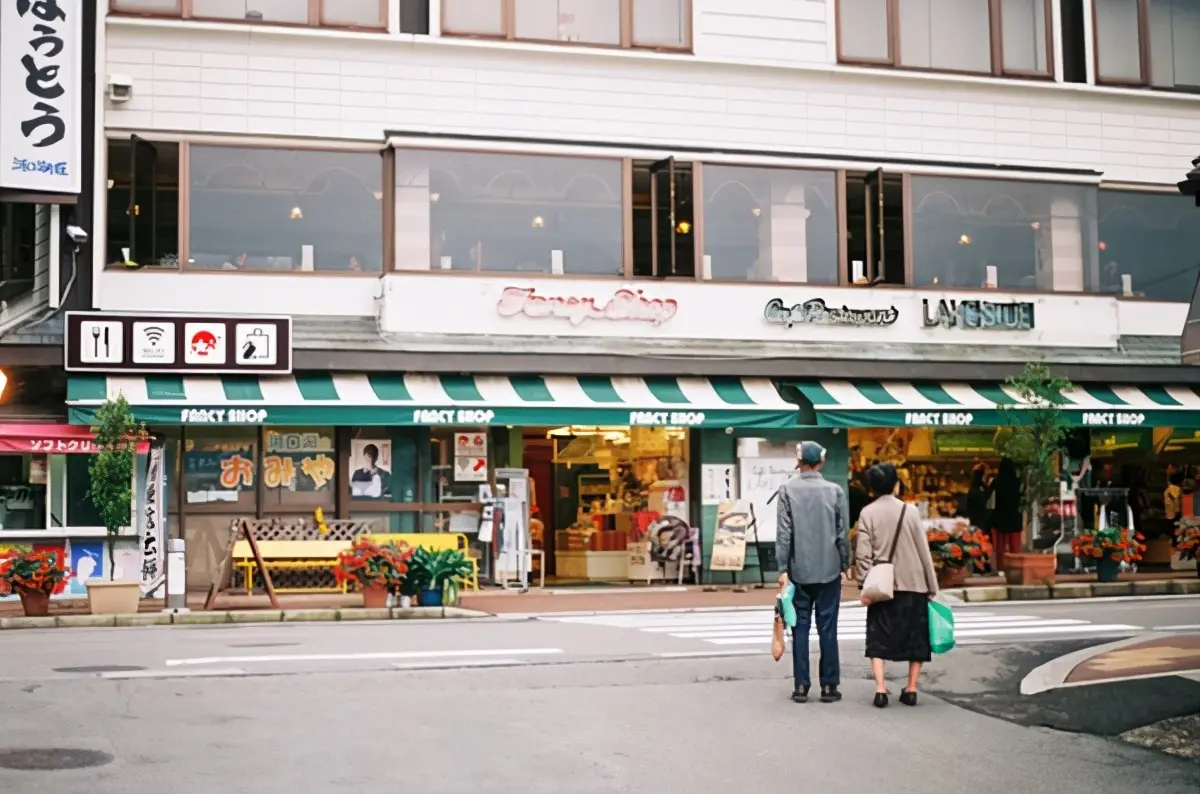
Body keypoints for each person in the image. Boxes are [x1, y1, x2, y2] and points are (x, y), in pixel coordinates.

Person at [855, 463, 939, 708]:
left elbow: (863, 554)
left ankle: (881, 689)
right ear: (896, 484)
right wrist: (931, 585)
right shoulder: (910, 511)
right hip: (913, 582)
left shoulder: (867, 513)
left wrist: (864, 585)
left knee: (879, 635)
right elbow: (923, 551)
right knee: (916, 637)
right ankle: (911, 688)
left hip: (882, 584)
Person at [775, 441, 850, 704]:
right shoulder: (835, 491)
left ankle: (801, 686)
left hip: (798, 569)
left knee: (800, 628)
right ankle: (829, 686)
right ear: (821, 462)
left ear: (799, 463)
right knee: (828, 628)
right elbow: (842, 533)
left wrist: (782, 567)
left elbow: (784, 534)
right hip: (829, 568)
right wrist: (845, 563)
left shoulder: (786, 490)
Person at [991, 458, 1023, 572]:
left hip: (1000, 516)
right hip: (1014, 516)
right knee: (1015, 545)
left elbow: (990, 498)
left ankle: (1001, 568)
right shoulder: (1018, 482)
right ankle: (1016, 567)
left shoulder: (997, 481)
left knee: (1000, 546)